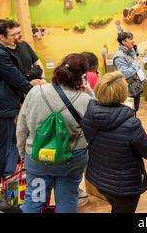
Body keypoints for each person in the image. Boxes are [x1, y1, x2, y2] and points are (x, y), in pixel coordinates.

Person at [16, 54, 94, 213]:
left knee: (34, 200)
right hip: (71, 159)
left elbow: (21, 128)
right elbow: (97, 119)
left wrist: (23, 154)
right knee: (68, 200)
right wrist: (90, 92)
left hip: (37, 156)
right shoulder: (85, 100)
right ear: (82, 76)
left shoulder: (35, 92)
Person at [0, 19, 44, 192]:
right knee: (7, 144)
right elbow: (15, 77)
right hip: (0, 106)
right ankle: (4, 183)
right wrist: (33, 91)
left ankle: (7, 180)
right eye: (13, 35)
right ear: (1, 36)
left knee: (10, 142)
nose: (16, 39)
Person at [81, 71, 147, 213]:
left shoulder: (89, 116)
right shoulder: (131, 124)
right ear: (122, 94)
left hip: (98, 178)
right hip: (125, 186)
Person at [114, 32, 143, 112]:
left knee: (135, 109)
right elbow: (124, 74)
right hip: (128, 91)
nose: (133, 41)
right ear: (123, 42)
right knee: (130, 112)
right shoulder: (119, 57)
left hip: (136, 88)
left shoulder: (131, 50)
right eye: (130, 39)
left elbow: (136, 68)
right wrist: (136, 63)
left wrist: (144, 79)